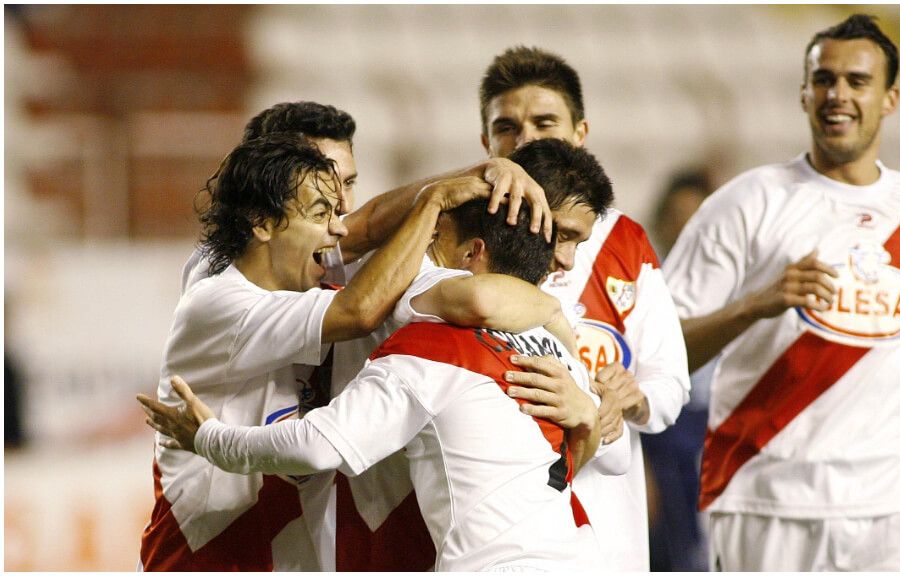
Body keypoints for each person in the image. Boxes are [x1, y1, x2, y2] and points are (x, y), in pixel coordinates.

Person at [150, 102, 567, 571]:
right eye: (323, 199)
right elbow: (365, 305)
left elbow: (382, 238)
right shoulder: (220, 287)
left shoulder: (322, 266)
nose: (343, 217)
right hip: (210, 547)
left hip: (292, 544)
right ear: (263, 212)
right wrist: (438, 197)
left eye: (347, 186)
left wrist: (563, 339)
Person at [662, 14, 900, 571]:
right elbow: (662, 352)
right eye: (824, 79)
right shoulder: (744, 205)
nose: (838, 94)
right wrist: (754, 305)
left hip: (896, 500)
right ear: (804, 93)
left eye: (857, 81)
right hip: (766, 496)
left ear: (890, 98)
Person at [477, 45, 691, 571]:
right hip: (495, 520)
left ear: (580, 134)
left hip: (606, 528)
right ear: (486, 143)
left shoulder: (624, 240)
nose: (525, 138)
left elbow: (672, 384)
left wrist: (632, 398)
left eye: (544, 121)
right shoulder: (465, 242)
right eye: (507, 127)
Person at [641, 169, 715, 572]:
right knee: (674, 549)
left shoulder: (738, 287)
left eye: (699, 221)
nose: (689, 231)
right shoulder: (645, 287)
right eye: (679, 218)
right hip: (666, 434)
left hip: (716, 427)